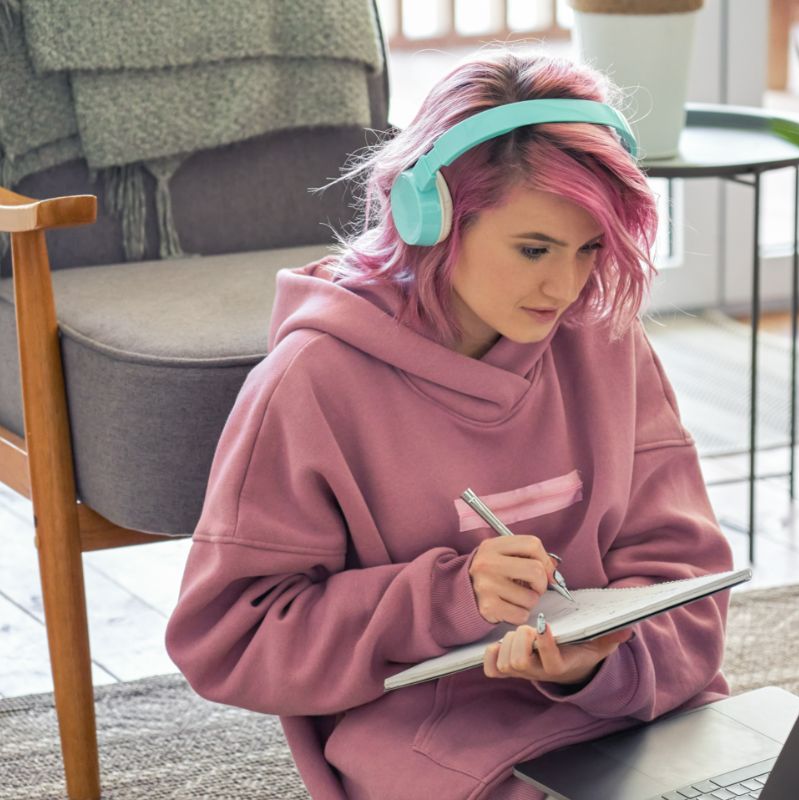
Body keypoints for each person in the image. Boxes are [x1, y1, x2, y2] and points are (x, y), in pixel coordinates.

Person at [164, 46, 735, 800]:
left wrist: (596, 663)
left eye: (589, 250)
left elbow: (687, 582)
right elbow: (230, 641)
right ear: (431, 215)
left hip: (637, 708)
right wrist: (446, 598)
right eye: (533, 248)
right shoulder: (312, 384)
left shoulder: (604, 338)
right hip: (440, 745)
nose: (565, 286)